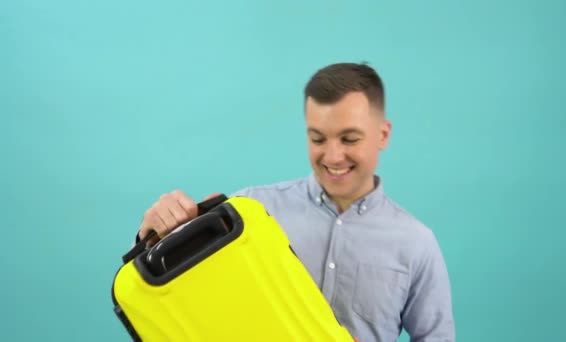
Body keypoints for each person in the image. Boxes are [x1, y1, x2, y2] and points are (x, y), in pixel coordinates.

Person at [136, 62, 455, 342]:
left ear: (383, 135)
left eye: (349, 139)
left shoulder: (417, 244)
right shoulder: (250, 212)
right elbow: (179, 286)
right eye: (318, 138)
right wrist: (153, 233)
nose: (332, 156)